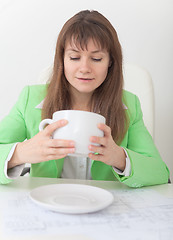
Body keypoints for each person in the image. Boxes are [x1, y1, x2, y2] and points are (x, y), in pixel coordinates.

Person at [0, 10, 170, 187]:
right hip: (48, 204)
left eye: (96, 58)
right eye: (74, 57)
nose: (84, 68)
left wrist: (119, 158)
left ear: (110, 62)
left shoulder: (129, 105)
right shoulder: (30, 98)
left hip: (106, 207)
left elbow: (159, 172)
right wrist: (19, 154)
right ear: (62, 59)